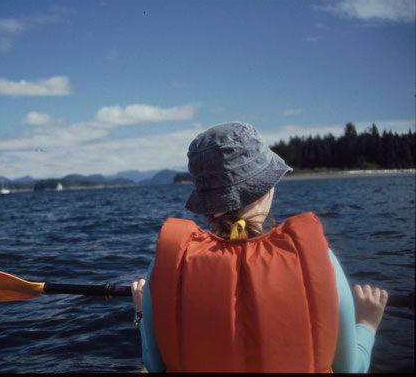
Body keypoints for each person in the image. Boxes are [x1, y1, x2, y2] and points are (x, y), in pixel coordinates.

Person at [131, 121, 388, 373]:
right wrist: (366, 322)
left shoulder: (166, 268)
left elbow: (155, 366)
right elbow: (351, 369)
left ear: (205, 202)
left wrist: (143, 314)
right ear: (266, 188)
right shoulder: (321, 260)